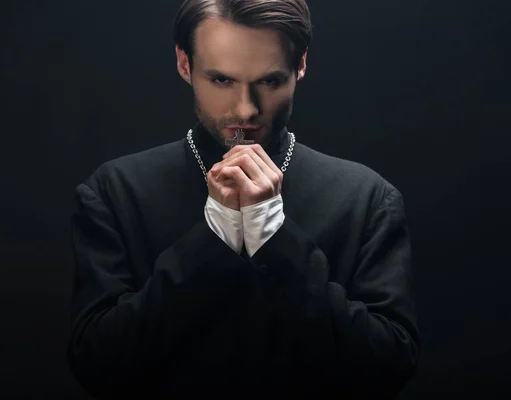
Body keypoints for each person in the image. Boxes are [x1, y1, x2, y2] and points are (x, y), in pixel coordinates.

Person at [66, 0, 420, 398]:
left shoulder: (367, 198)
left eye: (269, 81)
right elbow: (97, 365)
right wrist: (214, 236)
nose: (245, 109)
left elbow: (389, 366)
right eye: (221, 80)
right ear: (185, 65)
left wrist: (274, 239)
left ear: (299, 66)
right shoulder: (114, 191)